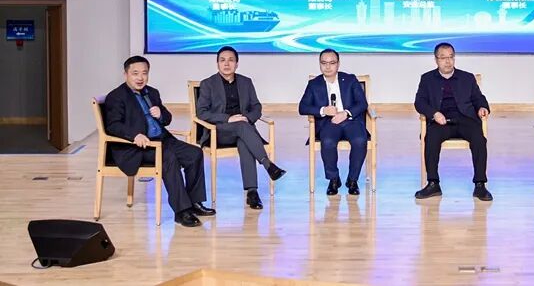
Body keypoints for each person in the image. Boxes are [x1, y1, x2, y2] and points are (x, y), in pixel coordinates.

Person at [103, 56, 215, 227]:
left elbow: (167, 119)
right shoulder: (116, 96)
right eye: (135, 73)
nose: (140, 78)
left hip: (162, 140)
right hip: (137, 146)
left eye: (144, 73)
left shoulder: (152, 92)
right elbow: (113, 125)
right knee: (168, 157)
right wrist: (134, 135)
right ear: (125, 74)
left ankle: (195, 202)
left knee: (194, 153)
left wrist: (161, 114)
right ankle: (181, 211)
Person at [195, 46, 286, 210]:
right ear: (217, 63)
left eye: (231, 60)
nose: (226, 64)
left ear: (237, 64)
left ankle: (252, 193)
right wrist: (228, 118)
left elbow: (256, 107)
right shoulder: (208, 84)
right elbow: (201, 113)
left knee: (244, 141)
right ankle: (268, 165)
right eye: (222, 60)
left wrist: (247, 118)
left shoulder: (246, 82)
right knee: (243, 128)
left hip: (243, 131)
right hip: (219, 132)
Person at [414, 42, 492, 201]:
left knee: (479, 139)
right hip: (441, 121)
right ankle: (433, 183)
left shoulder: (467, 78)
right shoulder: (427, 79)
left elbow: (479, 98)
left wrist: (482, 108)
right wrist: (434, 113)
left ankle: (480, 185)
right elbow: (419, 102)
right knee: (430, 138)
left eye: (451, 57)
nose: (448, 61)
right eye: (443, 58)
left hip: (465, 119)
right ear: (436, 60)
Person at [299, 49, 369, 196]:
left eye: (332, 63)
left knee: (360, 140)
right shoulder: (314, 84)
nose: (328, 67)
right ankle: (334, 179)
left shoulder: (350, 79)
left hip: (350, 120)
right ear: (319, 64)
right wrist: (323, 110)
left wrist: (346, 113)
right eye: (324, 63)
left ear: (338, 64)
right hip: (328, 122)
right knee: (328, 141)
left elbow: (362, 103)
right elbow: (302, 107)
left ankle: (352, 180)